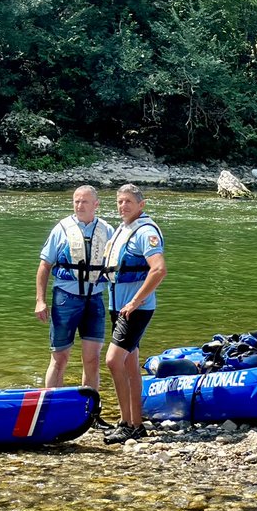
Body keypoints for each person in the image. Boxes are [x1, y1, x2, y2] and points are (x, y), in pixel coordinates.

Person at [102, 184, 166, 444]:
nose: (123, 206)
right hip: (117, 305)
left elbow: (159, 270)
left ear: (142, 205)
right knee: (129, 362)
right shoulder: (123, 229)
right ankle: (133, 423)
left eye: (128, 201)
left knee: (112, 360)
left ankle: (128, 423)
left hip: (134, 309)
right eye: (119, 201)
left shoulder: (146, 232)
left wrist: (136, 301)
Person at [35, 186, 113, 400]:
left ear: (96, 205)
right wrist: (40, 301)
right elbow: (44, 266)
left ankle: (89, 413)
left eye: (84, 202)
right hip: (65, 299)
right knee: (59, 357)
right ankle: (50, 407)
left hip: (95, 299)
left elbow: (115, 267)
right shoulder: (61, 229)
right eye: (76, 201)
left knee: (92, 358)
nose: (79, 206)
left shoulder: (106, 230)